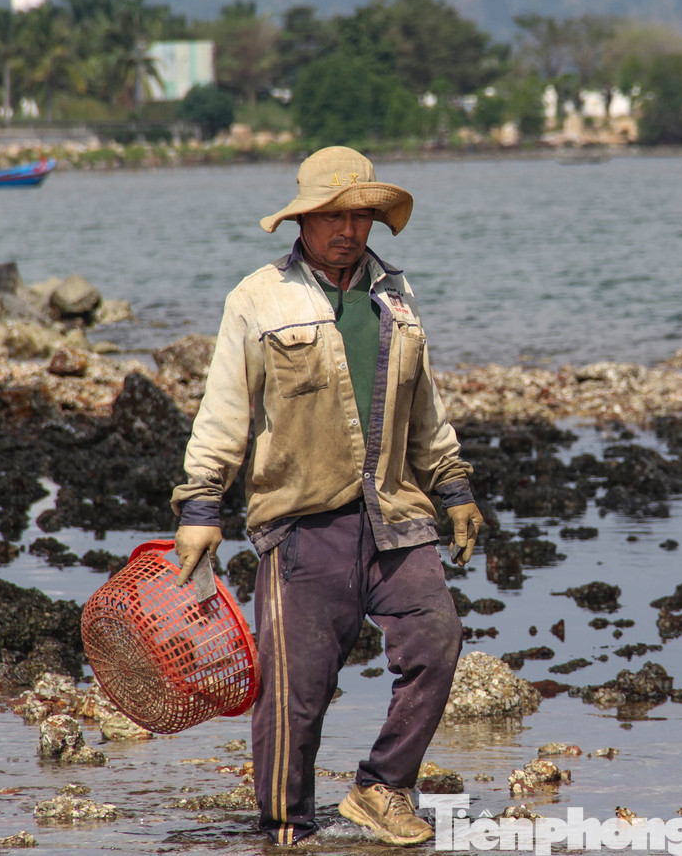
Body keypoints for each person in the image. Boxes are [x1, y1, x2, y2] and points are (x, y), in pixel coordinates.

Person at [170, 146, 483, 848]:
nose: (348, 229)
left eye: (360, 216)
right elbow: (224, 411)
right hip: (302, 524)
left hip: (395, 512)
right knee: (297, 689)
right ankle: (286, 827)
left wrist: (454, 485)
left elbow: (424, 405)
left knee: (437, 641)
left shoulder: (395, 294)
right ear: (302, 220)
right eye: (333, 216)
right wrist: (201, 508)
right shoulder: (258, 298)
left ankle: (382, 787)